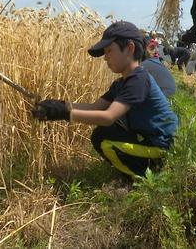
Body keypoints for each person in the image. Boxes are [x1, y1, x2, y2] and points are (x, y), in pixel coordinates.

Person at [32, 21, 179, 178]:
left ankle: (141, 178)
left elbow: (108, 117)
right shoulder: (122, 83)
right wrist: (59, 105)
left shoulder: (139, 79)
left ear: (130, 48)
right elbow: (95, 107)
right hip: (149, 139)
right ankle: (144, 167)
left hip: (162, 145)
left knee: (102, 138)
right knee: (107, 132)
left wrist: (63, 114)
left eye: (109, 51)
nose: (105, 58)